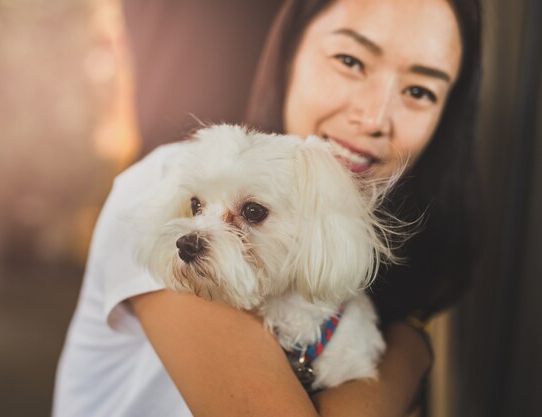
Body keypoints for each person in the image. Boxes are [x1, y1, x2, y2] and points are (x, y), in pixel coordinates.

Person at [52, 0, 482, 416]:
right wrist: (408, 357)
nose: (374, 117)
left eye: (420, 90)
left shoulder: (356, 282)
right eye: (350, 61)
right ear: (292, 50)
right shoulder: (165, 177)